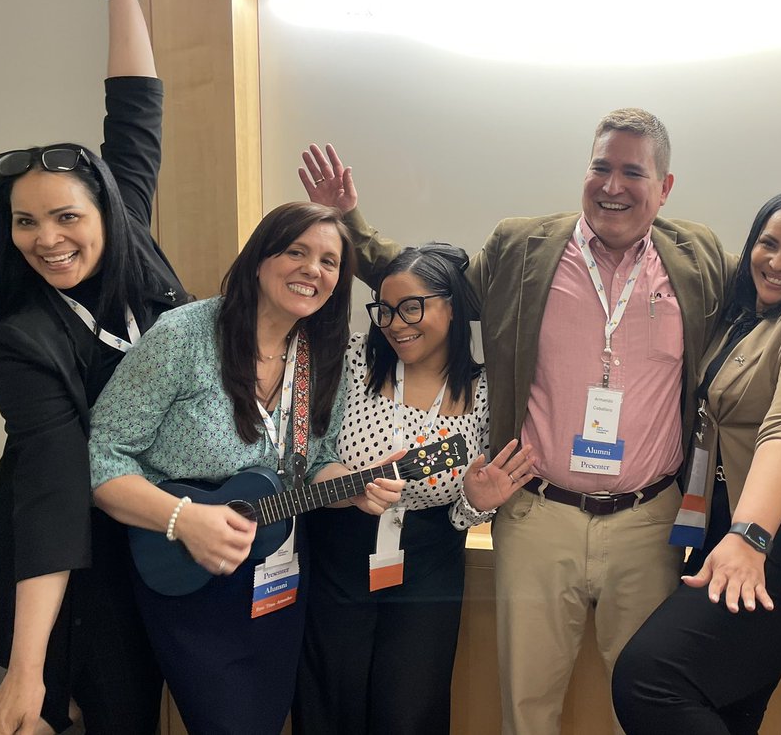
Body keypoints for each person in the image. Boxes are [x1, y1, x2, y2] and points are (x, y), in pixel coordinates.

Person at [300, 106, 737, 734]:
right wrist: (347, 220)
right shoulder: (521, 247)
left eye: (632, 172)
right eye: (600, 166)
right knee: (526, 704)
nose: (612, 186)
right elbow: (427, 287)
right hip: (537, 516)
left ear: (664, 187)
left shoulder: (698, 257)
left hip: (649, 519)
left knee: (643, 702)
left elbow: (765, 301)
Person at [0, 0, 186, 735]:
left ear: (106, 210)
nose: (46, 240)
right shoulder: (19, 335)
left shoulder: (134, 244)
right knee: (58, 708)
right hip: (61, 556)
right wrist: (26, 674)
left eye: (64, 216)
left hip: (150, 530)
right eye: (25, 224)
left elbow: (136, 109)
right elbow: (55, 484)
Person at [87, 202, 405, 735]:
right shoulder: (183, 335)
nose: (313, 269)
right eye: (296, 252)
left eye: (329, 261)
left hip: (276, 573)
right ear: (260, 258)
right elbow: (102, 457)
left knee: (264, 716)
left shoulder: (321, 356)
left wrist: (352, 486)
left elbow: (316, 465)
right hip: (184, 567)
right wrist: (183, 519)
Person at [610, 189, 781, 734]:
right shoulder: (748, 317)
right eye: (768, 243)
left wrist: (750, 536)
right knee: (728, 710)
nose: (778, 262)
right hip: (730, 533)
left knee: (650, 679)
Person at [293, 242, 535, 735]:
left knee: (411, 706)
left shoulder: (484, 391)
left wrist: (476, 504)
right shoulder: (354, 359)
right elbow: (310, 452)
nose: (395, 323)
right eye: (384, 309)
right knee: (331, 698)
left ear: (453, 306)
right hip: (340, 548)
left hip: (430, 559)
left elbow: (465, 507)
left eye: (411, 307)